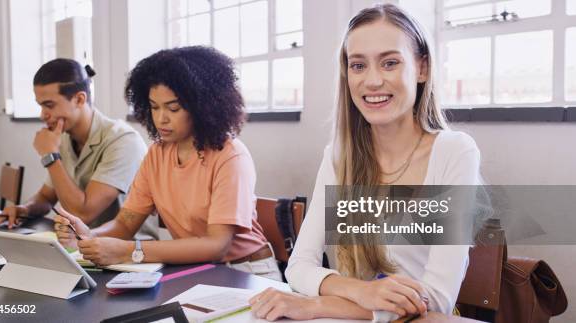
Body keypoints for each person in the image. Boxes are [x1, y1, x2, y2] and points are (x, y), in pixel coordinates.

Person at [248, 4, 481, 321]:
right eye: (358, 66)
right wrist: (360, 291)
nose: (372, 81)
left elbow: (435, 300)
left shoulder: (455, 152)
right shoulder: (338, 156)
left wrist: (320, 303)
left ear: (422, 68)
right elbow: (299, 266)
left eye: (390, 63)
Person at [53, 47, 282, 281]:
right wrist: (88, 237)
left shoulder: (230, 156)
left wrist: (130, 251)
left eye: (173, 108)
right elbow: (125, 223)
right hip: (200, 269)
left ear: (202, 106)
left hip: (248, 272)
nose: (161, 118)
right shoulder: (156, 154)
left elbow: (217, 245)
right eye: (154, 107)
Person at [0, 58, 155, 239]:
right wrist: (24, 209)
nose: (43, 115)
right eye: (40, 105)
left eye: (49, 105)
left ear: (79, 99)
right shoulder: (64, 137)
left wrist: (50, 156)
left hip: (127, 255)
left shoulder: (123, 141)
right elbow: (46, 197)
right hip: (81, 247)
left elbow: (83, 214)